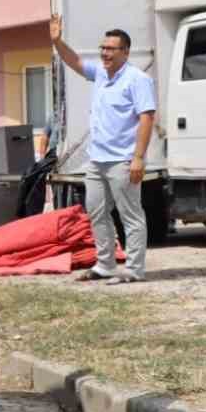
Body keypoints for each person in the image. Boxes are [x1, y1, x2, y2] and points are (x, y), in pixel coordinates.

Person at [50, 16, 157, 283]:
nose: (104, 53)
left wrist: (138, 158)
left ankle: (134, 270)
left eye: (111, 49)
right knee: (96, 212)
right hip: (96, 160)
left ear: (125, 52)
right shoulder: (100, 73)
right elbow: (74, 62)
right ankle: (105, 264)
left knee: (130, 215)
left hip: (123, 160)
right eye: (103, 48)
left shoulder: (137, 79)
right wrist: (56, 41)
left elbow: (147, 117)